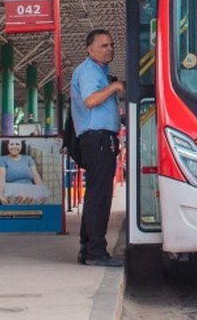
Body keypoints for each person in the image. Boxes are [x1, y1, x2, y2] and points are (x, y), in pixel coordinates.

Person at [70, 29, 125, 267]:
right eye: (103, 45)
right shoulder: (89, 71)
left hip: (103, 139)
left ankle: (88, 248)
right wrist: (115, 87)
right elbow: (91, 100)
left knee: (97, 194)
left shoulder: (100, 72)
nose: (109, 48)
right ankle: (96, 252)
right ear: (89, 49)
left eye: (111, 44)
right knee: (99, 196)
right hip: (97, 139)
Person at [0, 139, 47, 205]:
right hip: (13, 194)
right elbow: (1, 180)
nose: (14, 147)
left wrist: (43, 191)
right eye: (11, 144)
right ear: (7, 145)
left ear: (21, 146)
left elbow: (36, 176)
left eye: (17, 144)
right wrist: (0, 194)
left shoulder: (28, 159)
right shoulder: (2, 160)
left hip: (30, 193)